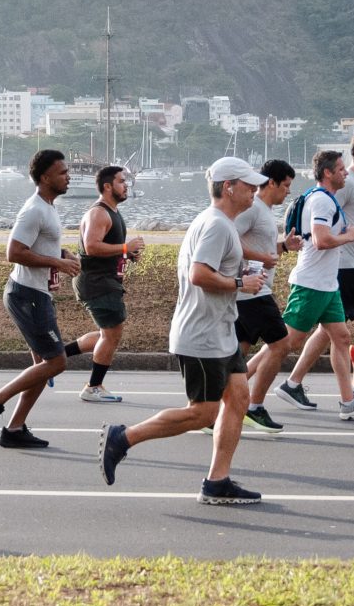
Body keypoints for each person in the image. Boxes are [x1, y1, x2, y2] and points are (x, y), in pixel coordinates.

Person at [100, 157, 269, 504]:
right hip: (202, 335)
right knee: (203, 413)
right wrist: (241, 282)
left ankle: (217, 481)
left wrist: (249, 274)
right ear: (229, 187)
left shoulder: (221, 223)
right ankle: (124, 437)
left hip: (220, 331)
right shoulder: (217, 225)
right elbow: (199, 274)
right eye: (249, 184)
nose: (255, 190)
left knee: (239, 398)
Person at [0, 149, 92, 449]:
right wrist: (58, 264)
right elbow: (13, 252)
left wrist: (62, 255)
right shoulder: (34, 210)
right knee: (56, 362)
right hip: (26, 295)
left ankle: (14, 430)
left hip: (36, 295)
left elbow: (39, 246)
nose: (68, 176)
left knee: (42, 366)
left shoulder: (49, 207)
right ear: (44, 177)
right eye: (62, 172)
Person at [283, 130, 354, 418]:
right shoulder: (346, 184)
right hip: (344, 266)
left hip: (346, 264)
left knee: (333, 332)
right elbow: (330, 221)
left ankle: (295, 382)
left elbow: (343, 220)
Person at [276, 149, 354, 416]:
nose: (345, 173)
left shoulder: (328, 200)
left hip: (328, 285)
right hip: (311, 284)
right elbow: (321, 240)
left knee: (341, 337)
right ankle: (240, 382)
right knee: (285, 344)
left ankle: (347, 402)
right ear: (328, 173)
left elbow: (332, 234)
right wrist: (352, 236)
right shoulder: (322, 201)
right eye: (341, 169)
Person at [234, 158, 299, 434]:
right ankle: (254, 406)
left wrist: (283, 246)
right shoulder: (253, 209)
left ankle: (220, 409)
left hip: (248, 294)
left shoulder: (262, 210)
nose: (288, 192)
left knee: (238, 357)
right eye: (285, 186)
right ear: (270, 182)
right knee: (281, 345)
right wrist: (262, 256)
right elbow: (229, 239)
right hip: (253, 293)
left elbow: (259, 246)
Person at [72, 164, 141, 403]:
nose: (126, 186)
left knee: (107, 333)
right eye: (122, 182)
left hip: (104, 281)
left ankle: (55, 355)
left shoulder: (111, 212)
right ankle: (93, 386)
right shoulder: (98, 213)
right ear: (107, 186)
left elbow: (102, 247)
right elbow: (91, 247)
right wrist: (124, 247)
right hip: (97, 283)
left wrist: (125, 254)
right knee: (111, 334)